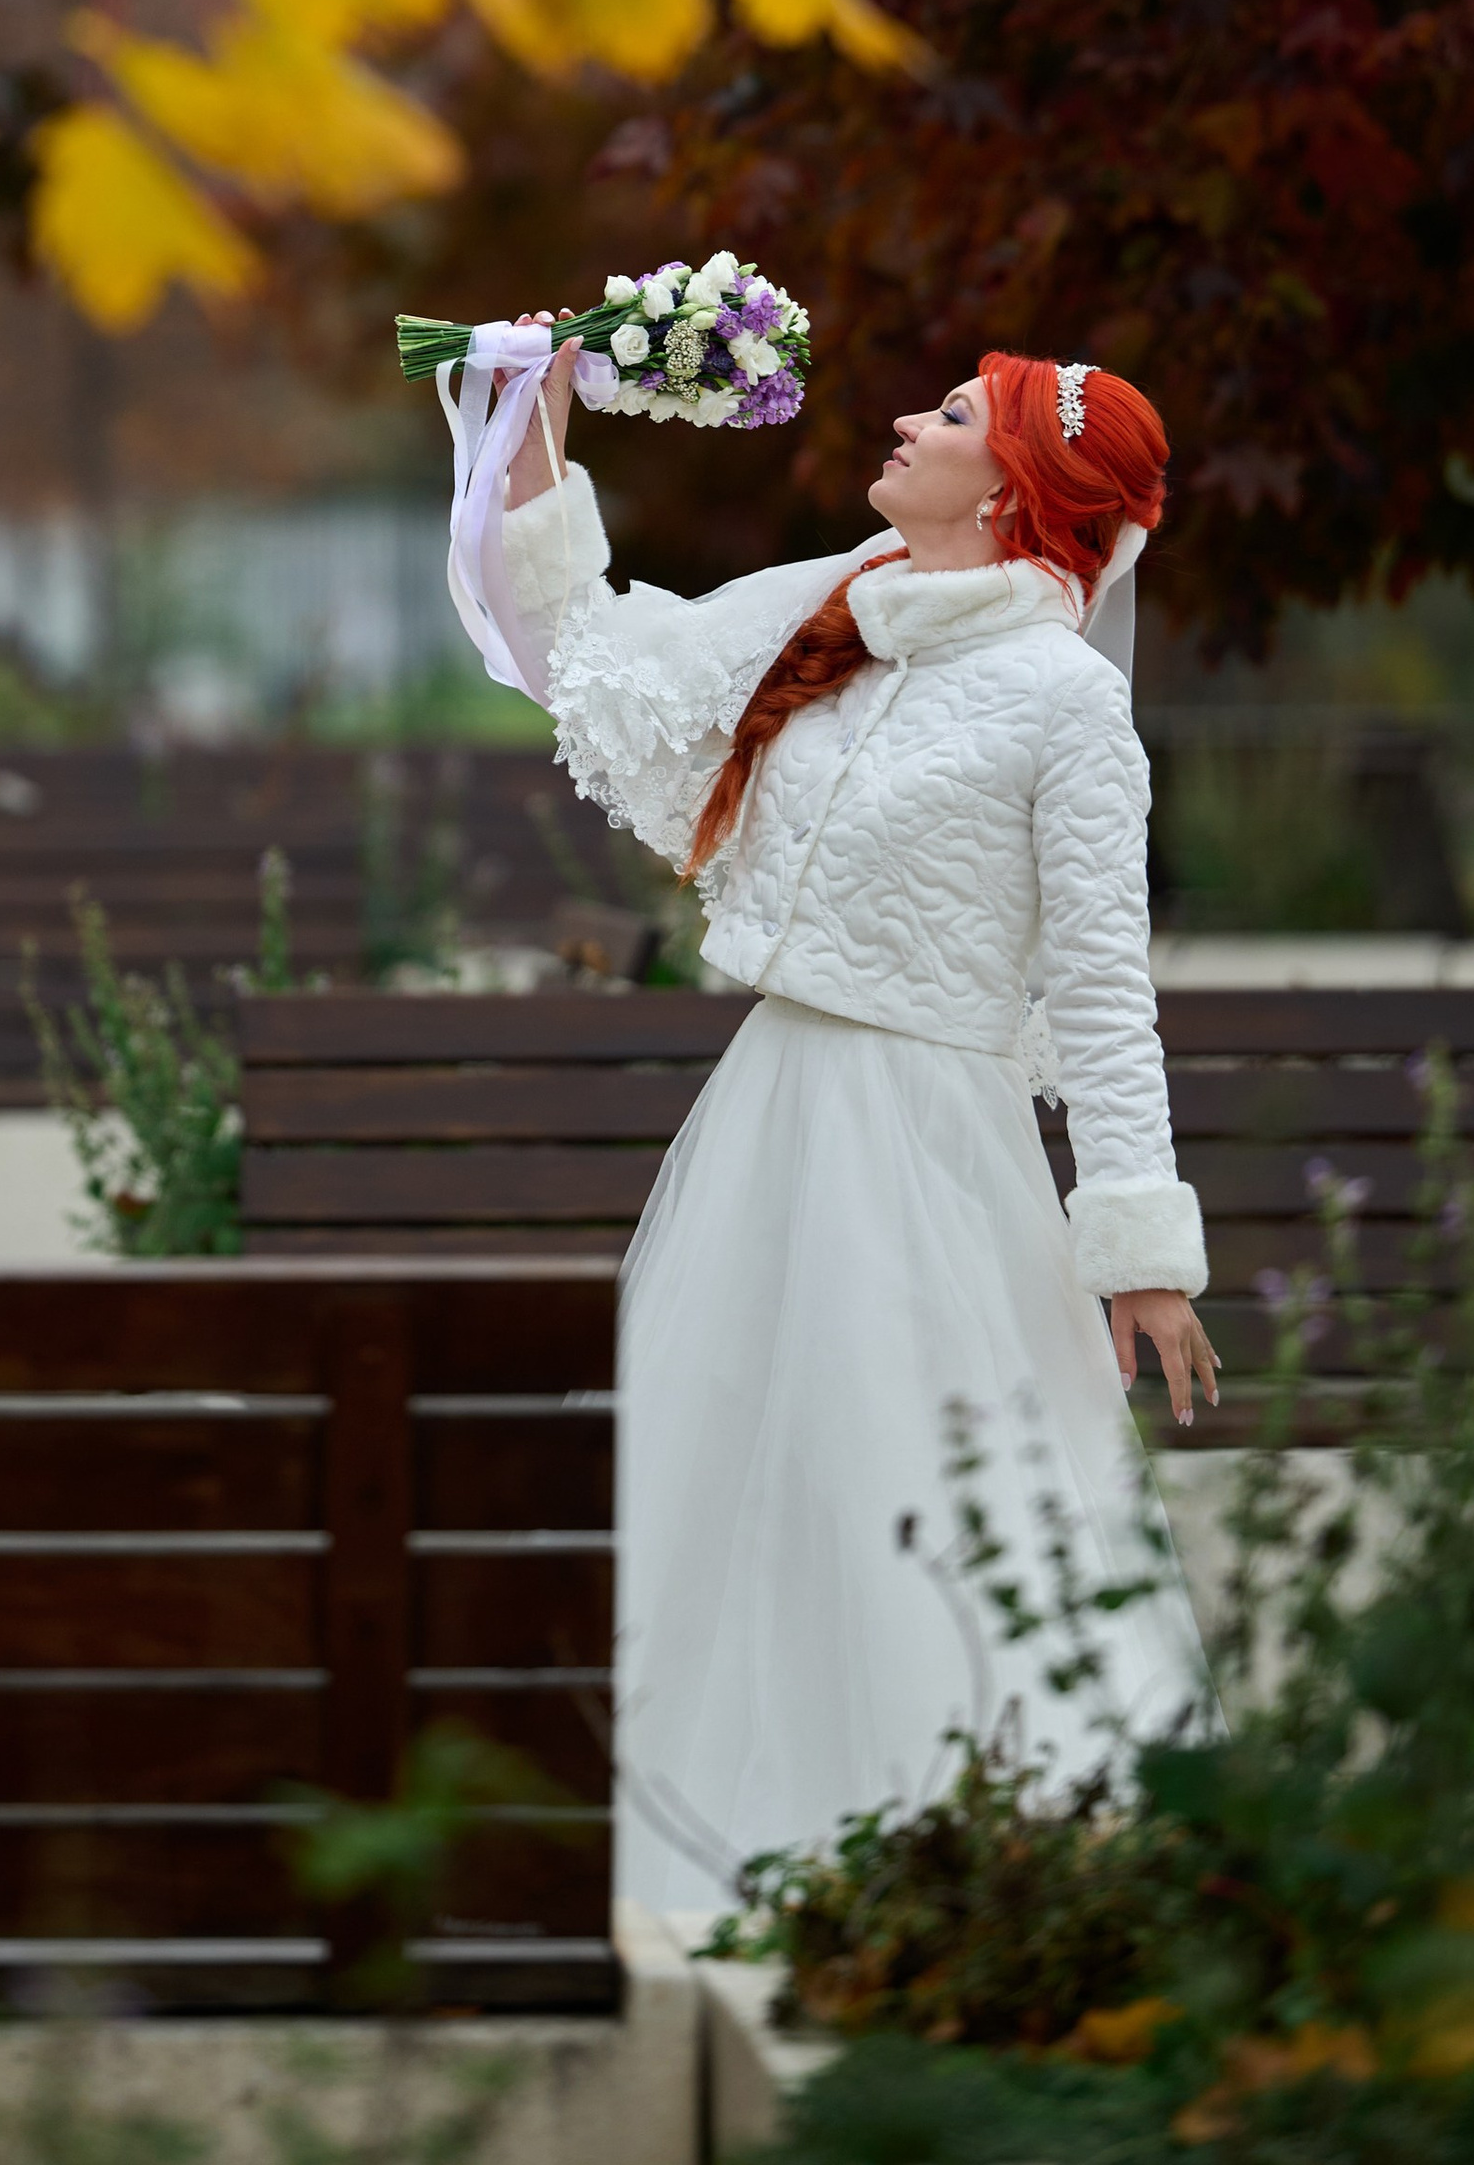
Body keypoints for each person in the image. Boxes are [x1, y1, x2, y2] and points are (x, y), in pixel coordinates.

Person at [489, 341, 1216, 1910]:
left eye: (952, 415)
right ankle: (702, 1849)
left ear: (1016, 484)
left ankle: (971, 1873)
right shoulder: (845, 621)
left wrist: (1140, 1248)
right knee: (724, 1459)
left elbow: (1102, 988)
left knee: (918, 1494)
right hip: (770, 1117)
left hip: (930, 1149)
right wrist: (538, 440)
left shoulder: (1068, 704)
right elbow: (607, 668)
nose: (906, 420)